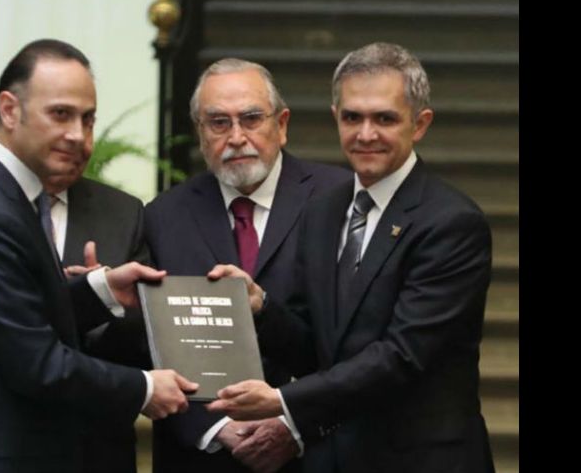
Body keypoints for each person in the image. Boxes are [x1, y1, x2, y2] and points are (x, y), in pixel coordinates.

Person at [206, 42, 496, 473]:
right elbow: (318, 346)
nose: (365, 134)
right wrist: (261, 307)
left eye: (384, 118)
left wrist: (283, 400)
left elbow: (402, 356)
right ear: (335, 118)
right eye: (352, 117)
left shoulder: (452, 222)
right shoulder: (323, 209)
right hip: (336, 457)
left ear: (420, 124)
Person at [0, 39, 198, 473]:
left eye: (88, 119)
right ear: (9, 110)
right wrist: (143, 388)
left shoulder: (1, 196)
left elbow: (24, 312)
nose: (78, 135)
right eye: (60, 114)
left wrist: (98, 289)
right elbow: (39, 363)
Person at [143, 58, 350, 472]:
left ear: (282, 123)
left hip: (312, 451)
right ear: (200, 133)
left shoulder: (339, 200)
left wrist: (293, 424)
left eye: (251, 118)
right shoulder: (162, 216)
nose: (237, 137)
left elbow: (356, 342)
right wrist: (215, 427)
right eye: (218, 123)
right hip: (199, 454)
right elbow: (147, 346)